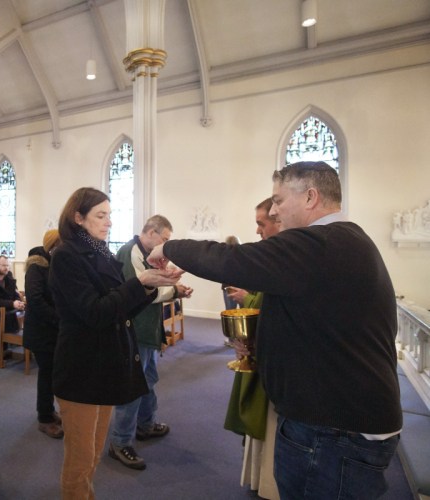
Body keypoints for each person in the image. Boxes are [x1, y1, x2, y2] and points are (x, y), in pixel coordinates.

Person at [148, 162, 402, 499]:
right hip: (337, 421)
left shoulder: (320, 243)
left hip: (334, 431)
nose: (274, 211)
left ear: (311, 197)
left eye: (279, 200)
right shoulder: (341, 241)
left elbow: (230, 259)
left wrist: (169, 247)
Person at [48, 187, 181, 499]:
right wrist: (140, 282)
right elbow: (95, 313)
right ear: (78, 218)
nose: (109, 222)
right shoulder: (66, 257)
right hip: (81, 369)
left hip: (104, 365)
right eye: (101, 215)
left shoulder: (101, 252)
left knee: (94, 453)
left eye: (110, 215)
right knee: (80, 461)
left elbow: (120, 310)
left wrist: (150, 286)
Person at [109, 215, 193, 470]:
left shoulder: (146, 254)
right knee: (132, 387)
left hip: (147, 330)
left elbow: (154, 285)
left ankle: (145, 425)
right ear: (151, 232)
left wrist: (171, 285)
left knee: (148, 380)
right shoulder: (129, 252)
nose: (165, 244)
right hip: (134, 331)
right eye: (164, 239)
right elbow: (137, 293)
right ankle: (119, 441)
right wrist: (174, 290)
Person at [222, 197, 281, 500]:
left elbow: (272, 304)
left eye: (261, 223)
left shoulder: (283, 258)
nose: (257, 231)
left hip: (274, 361)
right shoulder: (271, 255)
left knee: (270, 428)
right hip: (258, 350)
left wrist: (249, 300)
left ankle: (269, 485)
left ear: (278, 220)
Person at [22, 229, 63, 439]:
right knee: (47, 374)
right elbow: (36, 301)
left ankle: (48, 411)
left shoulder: (55, 264)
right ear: (52, 246)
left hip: (52, 331)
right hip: (41, 331)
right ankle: (44, 418)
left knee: (51, 373)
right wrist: (60, 318)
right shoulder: (37, 266)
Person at [221, 235, 241, 310]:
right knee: (244, 311)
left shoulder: (223, 257)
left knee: (230, 311)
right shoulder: (242, 256)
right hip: (240, 286)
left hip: (228, 286)